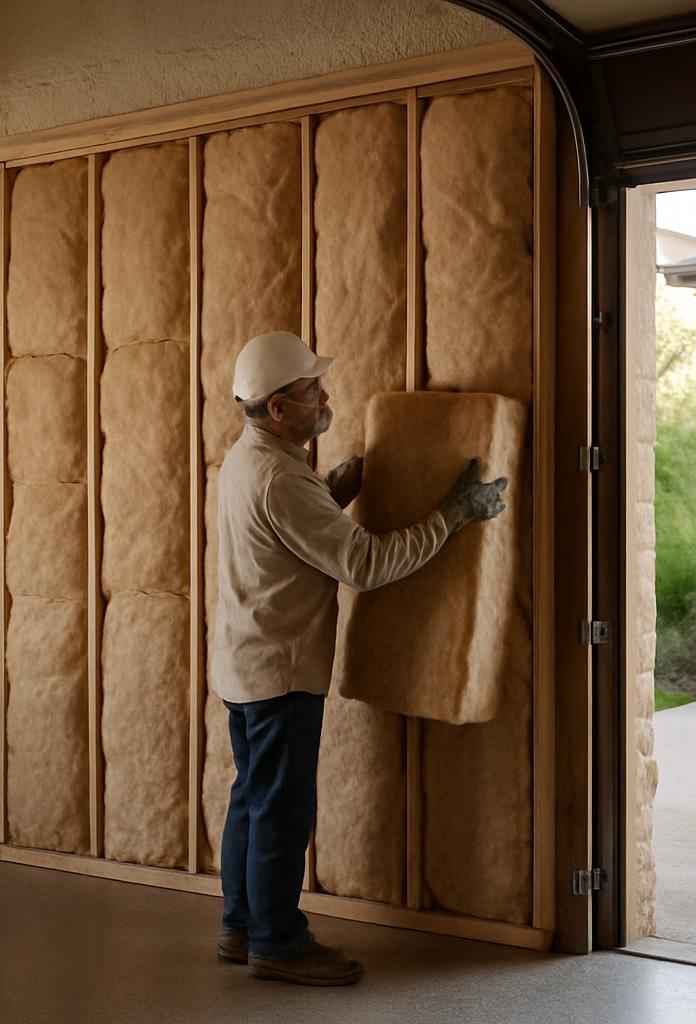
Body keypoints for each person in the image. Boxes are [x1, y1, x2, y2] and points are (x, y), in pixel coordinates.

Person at [210, 330, 508, 986]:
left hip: (245, 663)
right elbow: (366, 564)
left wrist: (340, 484)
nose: (325, 398)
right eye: (311, 391)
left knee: (254, 797)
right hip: (280, 673)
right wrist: (453, 514)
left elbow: (292, 528)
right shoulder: (279, 478)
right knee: (283, 810)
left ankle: (240, 925)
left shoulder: (249, 459)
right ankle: (278, 943)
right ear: (280, 410)